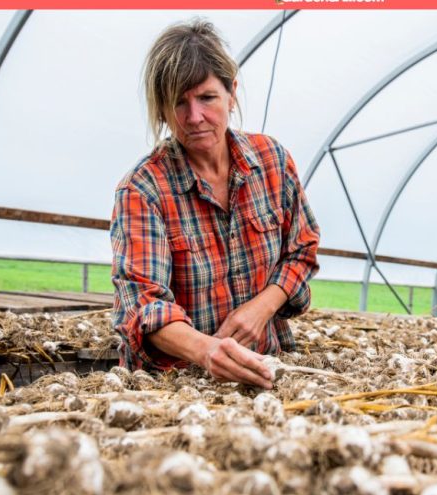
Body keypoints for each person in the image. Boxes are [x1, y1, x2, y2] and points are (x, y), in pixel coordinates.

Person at [111, 19, 320, 389]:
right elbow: (144, 305)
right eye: (178, 102)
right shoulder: (143, 190)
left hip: (266, 369)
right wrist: (208, 351)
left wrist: (261, 309)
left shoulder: (271, 161)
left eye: (207, 98)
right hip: (177, 384)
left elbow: (302, 249)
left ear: (231, 93)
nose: (195, 117)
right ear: (161, 109)